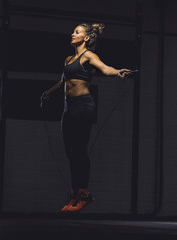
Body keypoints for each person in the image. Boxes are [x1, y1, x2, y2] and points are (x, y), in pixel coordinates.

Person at [41, 23, 131, 213]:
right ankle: (75, 195)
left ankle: (83, 195)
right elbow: (64, 80)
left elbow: (105, 69)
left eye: (77, 32)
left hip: (84, 106)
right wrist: (49, 92)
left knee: (79, 151)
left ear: (86, 38)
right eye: (73, 31)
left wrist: (118, 72)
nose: (72, 34)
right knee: (71, 153)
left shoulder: (88, 56)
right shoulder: (68, 59)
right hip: (69, 107)